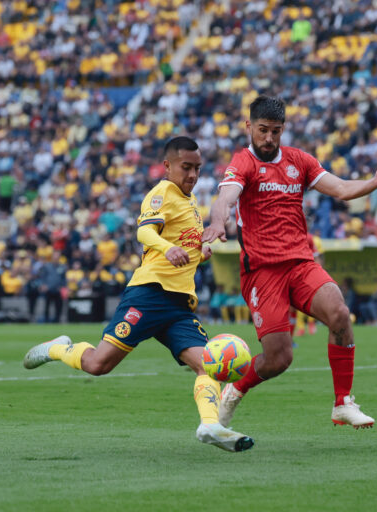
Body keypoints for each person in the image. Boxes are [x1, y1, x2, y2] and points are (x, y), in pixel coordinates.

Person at [22, 137, 254, 452]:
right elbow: (144, 231)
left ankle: (210, 425)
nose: (192, 174)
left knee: (208, 365)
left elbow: (182, 246)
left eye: (197, 168)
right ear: (168, 166)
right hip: (149, 295)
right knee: (98, 365)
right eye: (186, 167)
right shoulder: (162, 192)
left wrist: (200, 253)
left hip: (179, 306)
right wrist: (167, 248)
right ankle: (57, 349)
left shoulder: (189, 202)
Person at [202, 96, 377, 432]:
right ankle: (235, 390)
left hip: (300, 263)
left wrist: (373, 183)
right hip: (262, 272)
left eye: (275, 131)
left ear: (283, 129)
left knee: (339, 313)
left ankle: (343, 402)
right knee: (279, 359)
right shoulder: (243, 163)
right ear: (249, 126)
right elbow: (226, 197)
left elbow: (341, 188)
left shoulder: (299, 161)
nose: (269, 137)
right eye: (262, 130)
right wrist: (216, 221)